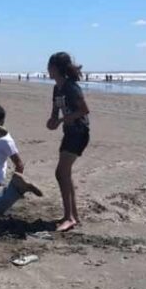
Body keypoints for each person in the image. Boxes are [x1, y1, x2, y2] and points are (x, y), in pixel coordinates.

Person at [46, 52, 90, 232]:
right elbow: (54, 114)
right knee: (65, 174)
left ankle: (69, 217)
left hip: (79, 133)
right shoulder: (57, 89)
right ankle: (73, 215)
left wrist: (63, 120)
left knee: (61, 173)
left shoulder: (71, 87)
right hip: (69, 133)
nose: (47, 69)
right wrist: (52, 122)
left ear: (56, 68)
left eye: (49, 66)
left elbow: (84, 110)